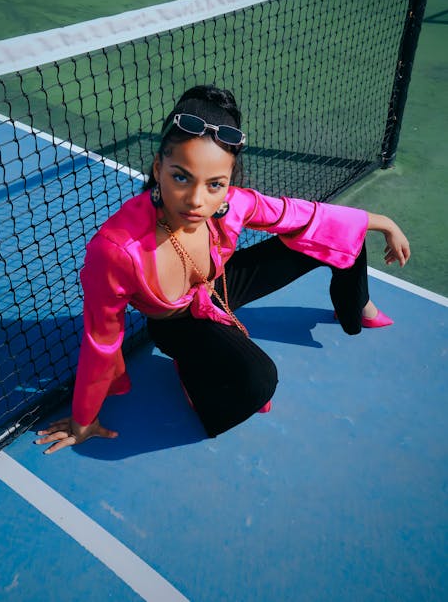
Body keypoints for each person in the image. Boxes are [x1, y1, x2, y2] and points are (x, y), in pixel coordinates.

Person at [36, 85, 410, 454]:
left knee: (338, 235)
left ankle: (356, 304)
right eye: (181, 176)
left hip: (217, 286)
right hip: (177, 322)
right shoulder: (118, 250)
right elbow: (102, 340)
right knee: (259, 383)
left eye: (215, 184)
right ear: (158, 167)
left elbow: (305, 215)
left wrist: (385, 222)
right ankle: (194, 376)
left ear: (228, 182)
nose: (197, 201)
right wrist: (83, 420)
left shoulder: (231, 205)